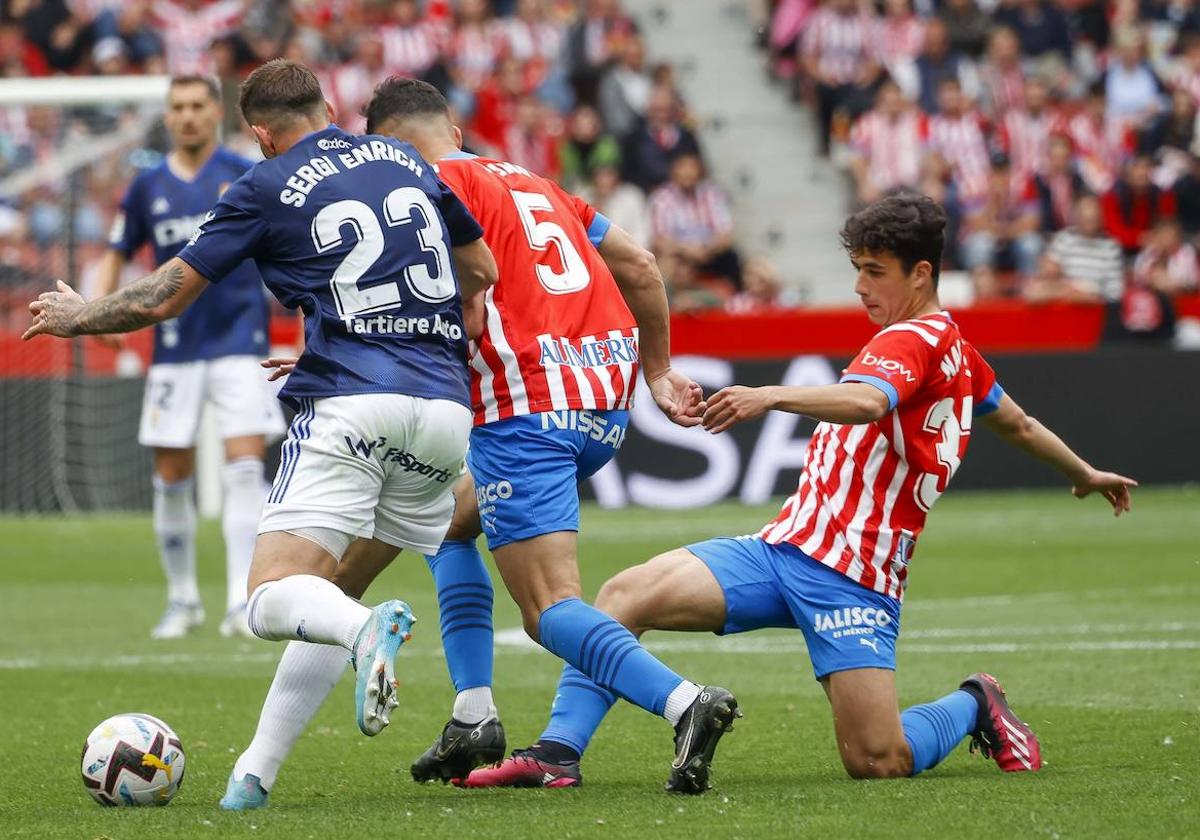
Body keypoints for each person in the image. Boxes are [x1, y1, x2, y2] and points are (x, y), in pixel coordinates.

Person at [467, 192, 1137, 788]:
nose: (860, 288)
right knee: (623, 596)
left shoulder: (911, 340)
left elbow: (868, 403)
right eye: (857, 271)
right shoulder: (952, 345)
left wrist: (769, 395)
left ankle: (974, 702)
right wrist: (1084, 472)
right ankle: (558, 752)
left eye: (875, 273)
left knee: (878, 760)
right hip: (784, 549)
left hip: (855, 578)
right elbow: (1015, 421)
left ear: (921, 274)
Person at [24, 58, 498, 802]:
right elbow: (481, 266)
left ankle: (361, 631)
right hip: (443, 414)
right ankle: (253, 774)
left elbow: (162, 296)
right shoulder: (400, 157)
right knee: (326, 587)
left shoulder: (265, 182)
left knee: (270, 599)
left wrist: (79, 315)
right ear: (328, 104)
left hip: (354, 405)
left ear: (259, 134)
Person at [242, 77, 729, 800]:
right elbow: (642, 267)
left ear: (390, 146)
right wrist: (657, 372)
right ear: (455, 130)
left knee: (548, 609)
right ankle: (475, 716)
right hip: (601, 398)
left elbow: (434, 307)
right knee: (444, 525)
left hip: (526, 407)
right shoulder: (539, 183)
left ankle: (685, 702)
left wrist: (338, 356)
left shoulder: (424, 188)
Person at [93, 75, 285, 640]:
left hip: (240, 343)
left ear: (215, 110)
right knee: (171, 475)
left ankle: (238, 603)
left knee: (245, 467)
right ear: (168, 115)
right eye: (178, 107)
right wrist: (102, 310)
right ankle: (182, 600)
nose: (188, 115)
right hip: (174, 350)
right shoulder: (146, 185)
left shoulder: (246, 173)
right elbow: (116, 253)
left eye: (198, 105)